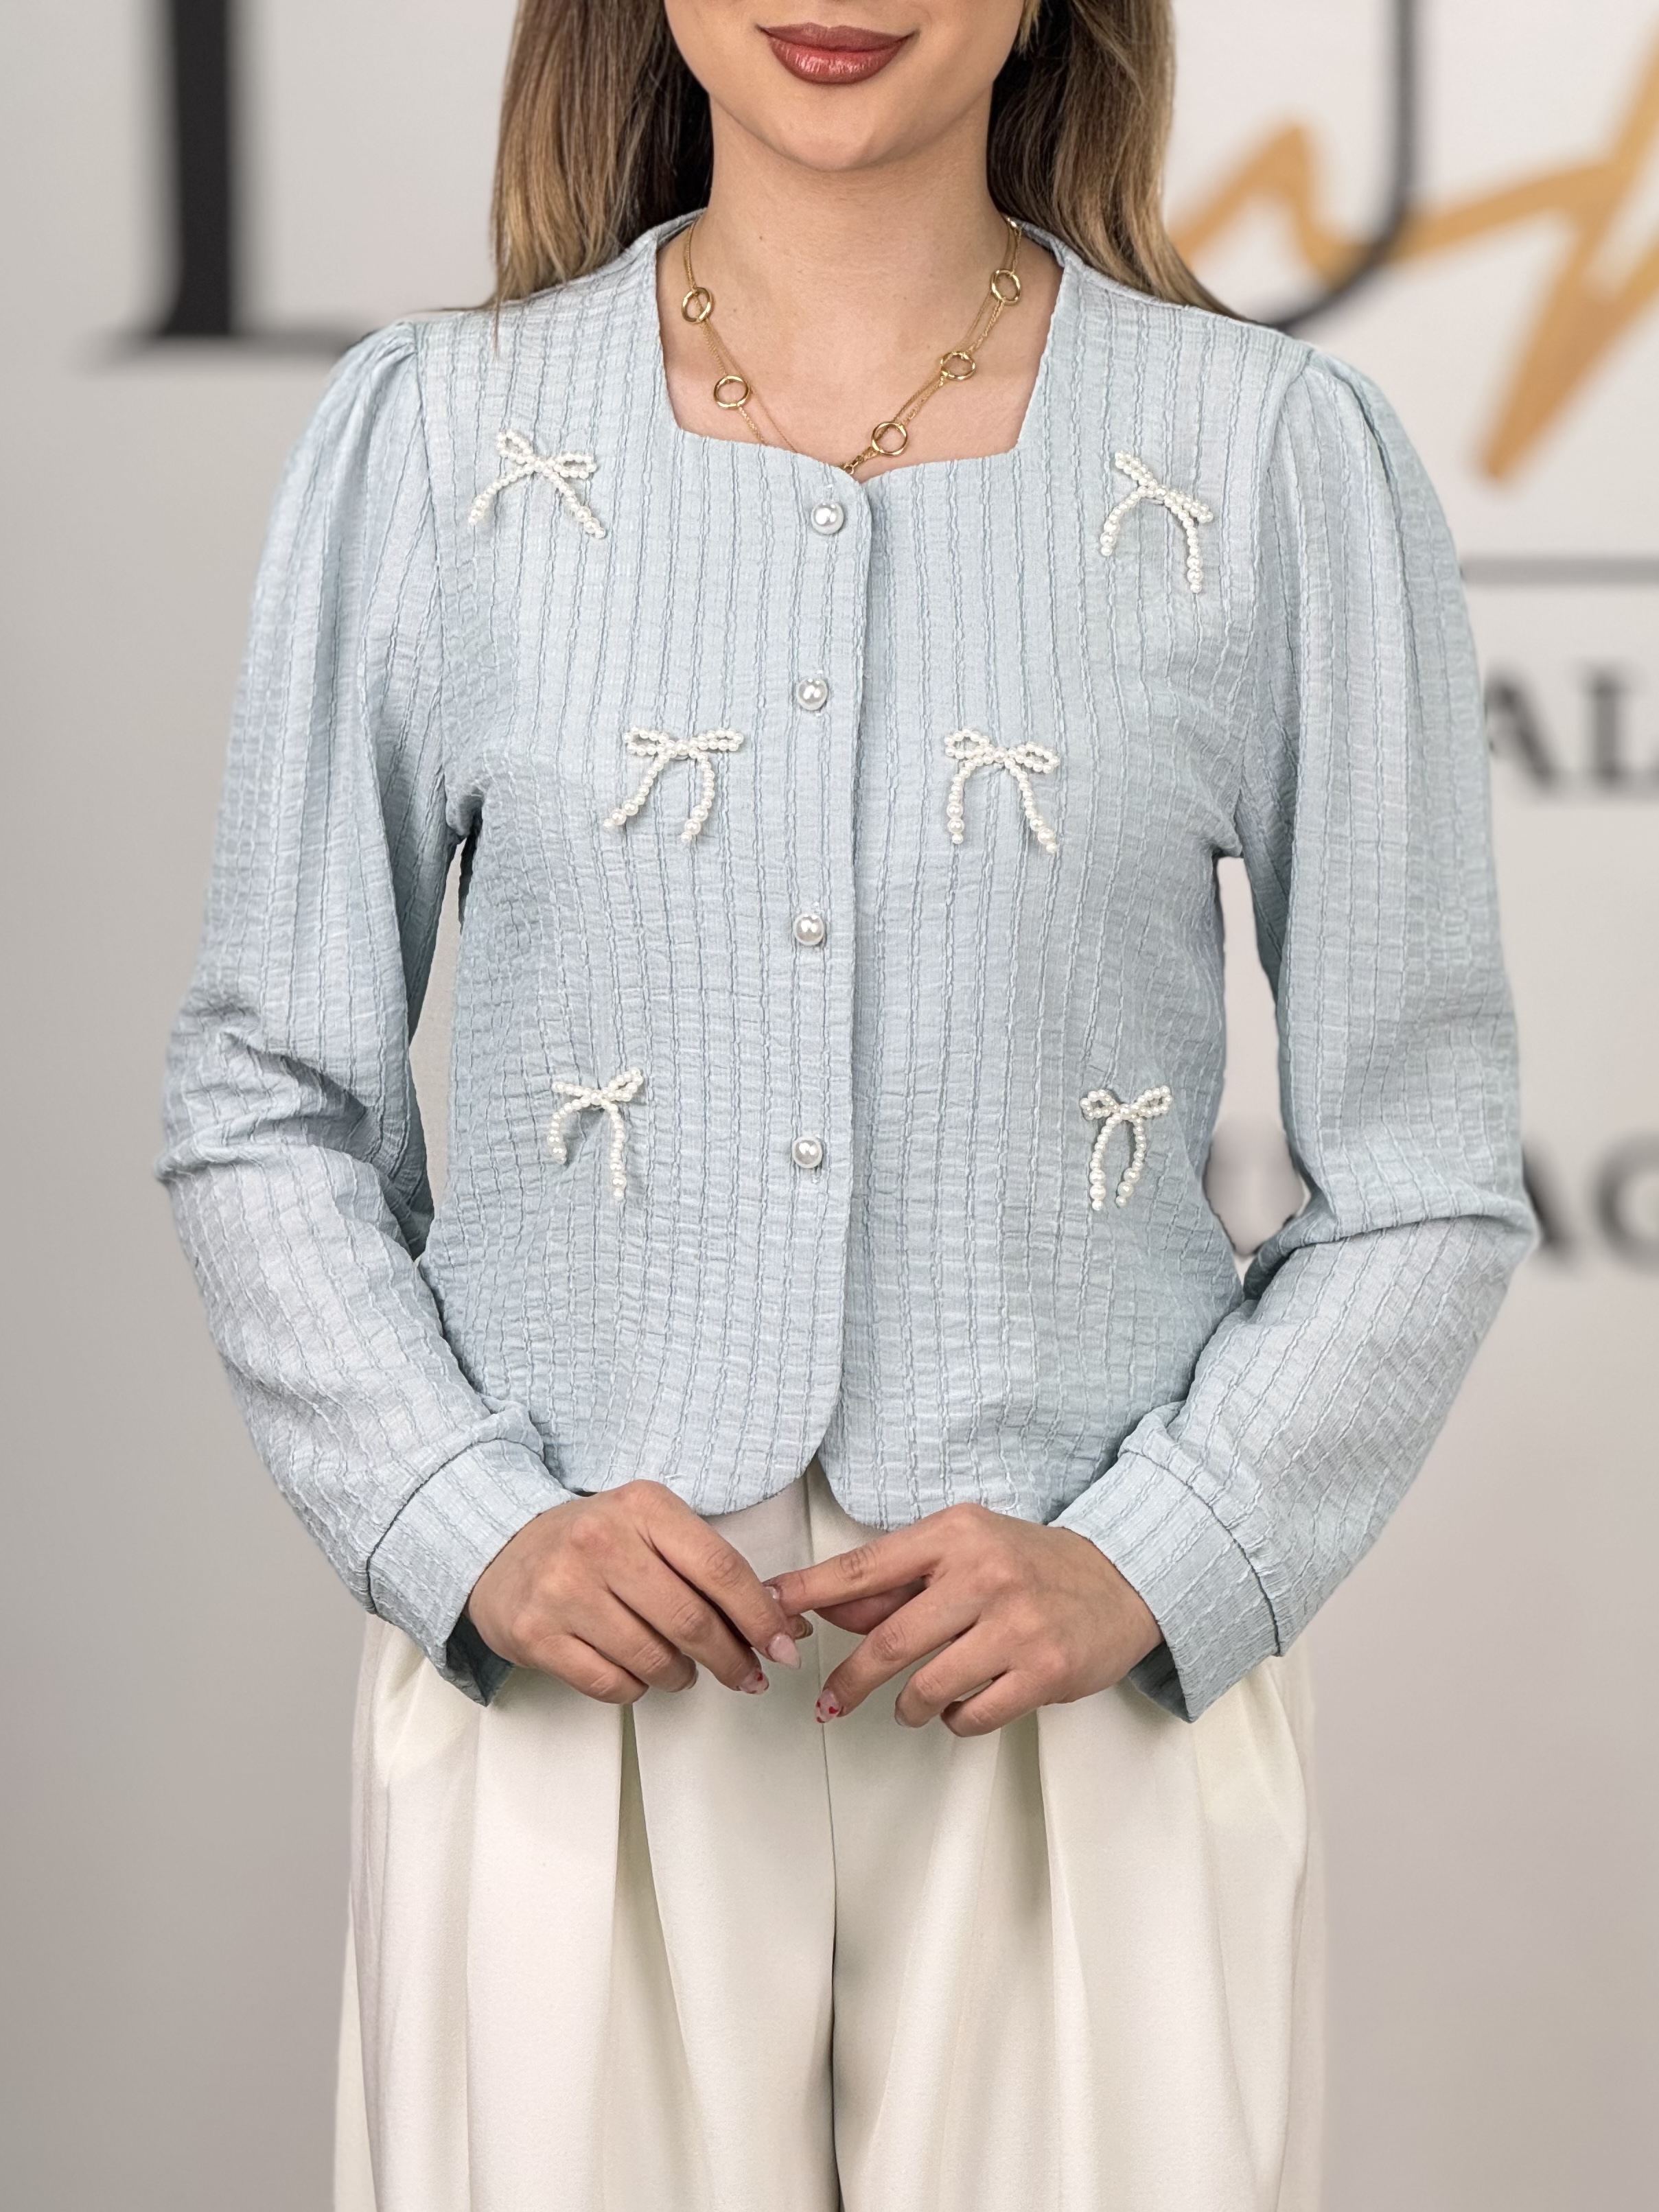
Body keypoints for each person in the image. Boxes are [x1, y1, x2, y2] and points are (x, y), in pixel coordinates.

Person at [152, 4, 1538, 2207]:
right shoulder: (433, 441)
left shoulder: (1272, 457)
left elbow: (1428, 1170)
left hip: (1079, 1707)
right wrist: (462, 1521)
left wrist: (1157, 1560)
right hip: (572, 1693)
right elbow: (266, 1092)